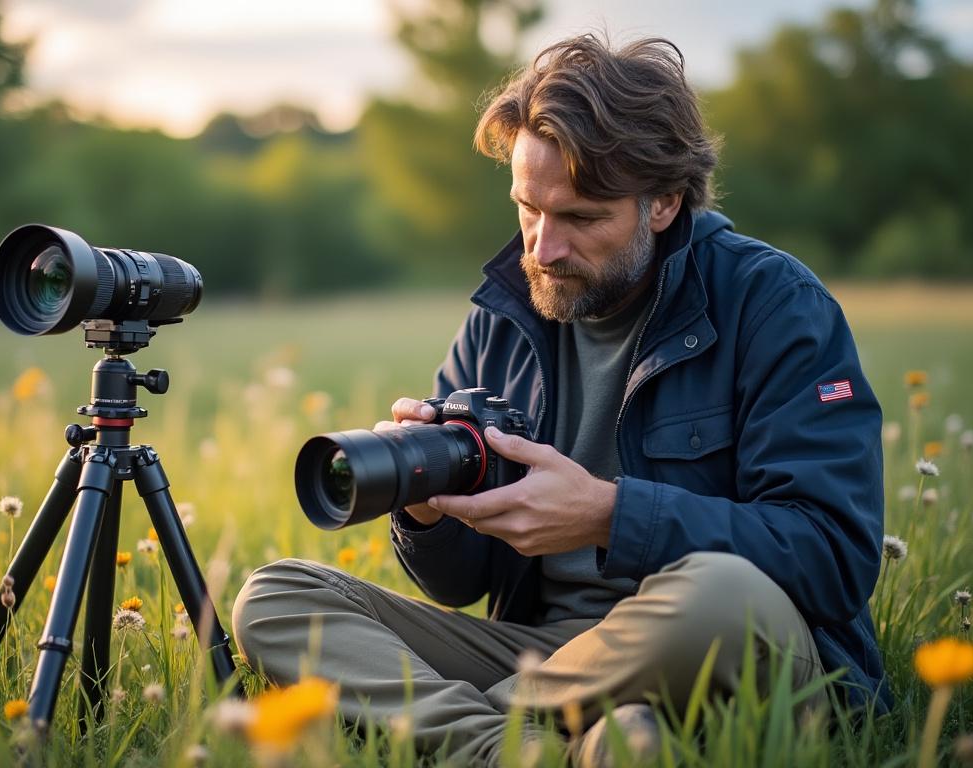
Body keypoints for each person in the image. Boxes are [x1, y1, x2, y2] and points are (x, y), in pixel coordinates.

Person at [232, 33, 890, 767]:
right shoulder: (506, 312)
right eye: (527, 209)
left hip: (717, 648)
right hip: (545, 653)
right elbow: (460, 585)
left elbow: (833, 556)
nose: (543, 248)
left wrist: (610, 515)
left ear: (664, 202)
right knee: (278, 598)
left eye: (580, 218)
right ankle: (542, 751)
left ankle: (484, 732)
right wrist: (425, 510)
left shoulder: (772, 304)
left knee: (724, 594)